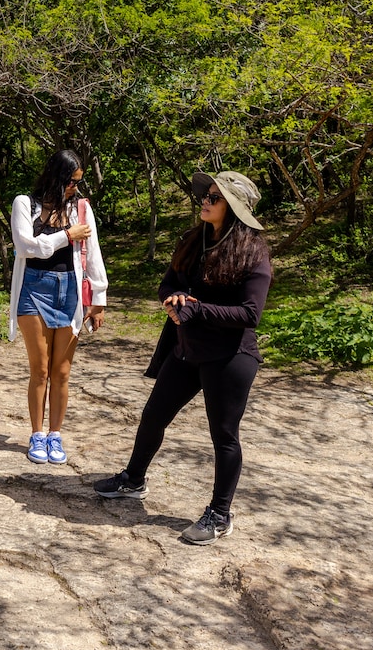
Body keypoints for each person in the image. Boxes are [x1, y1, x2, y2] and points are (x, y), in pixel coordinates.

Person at [94, 170, 272, 545]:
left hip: (229, 355)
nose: (204, 201)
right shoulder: (193, 240)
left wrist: (198, 310)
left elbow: (250, 314)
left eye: (214, 197)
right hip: (188, 348)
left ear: (234, 208)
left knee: (223, 435)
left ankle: (220, 514)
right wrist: (173, 300)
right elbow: (168, 283)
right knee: (154, 415)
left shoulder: (254, 254)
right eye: (206, 195)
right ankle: (133, 480)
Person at [8, 150, 107, 465]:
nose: (74, 188)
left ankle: (55, 435)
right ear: (56, 177)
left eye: (78, 182)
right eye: (70, 182)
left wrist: (98, 299)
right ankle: (36, 434)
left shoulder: (80, 208)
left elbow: (92, 252)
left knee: (61, 371)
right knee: (39, 369)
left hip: (69, 289)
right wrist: (67, 236)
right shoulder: (25, 204)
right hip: (33, 288)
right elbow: (25, 247)